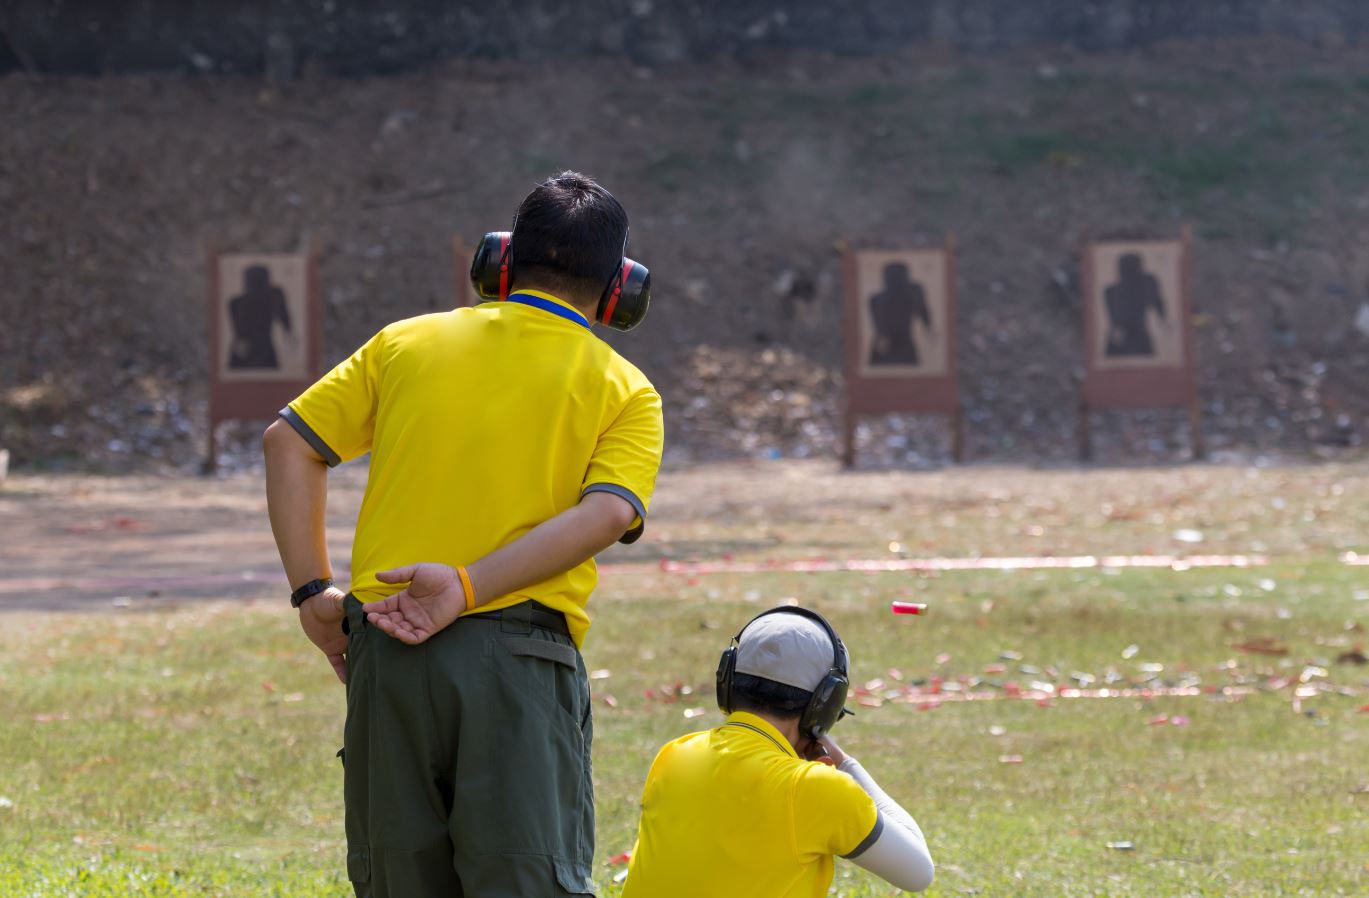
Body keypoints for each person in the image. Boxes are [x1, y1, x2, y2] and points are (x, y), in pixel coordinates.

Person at [263, 172, 664, 898]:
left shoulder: (403, 344)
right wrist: (468, 587)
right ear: (620, 291)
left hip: (385, 652)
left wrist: (311, 591)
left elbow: (287, 442)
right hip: (520, 663)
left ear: (499, 262)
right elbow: (605, 514)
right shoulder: (624, 388)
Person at [622, 606, 934, 896]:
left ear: (727, 682)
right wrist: (846, 764)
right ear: (824, 705)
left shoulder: (674, 755)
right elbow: (919, 873)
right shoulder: (817, 788)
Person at [228, 264, 291, 369]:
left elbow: (284, 318)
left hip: (263, 350)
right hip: (247, 351)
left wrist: (288, 332)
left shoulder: (274, 296)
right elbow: (239, 332)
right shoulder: (236, 303)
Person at [868, 262, 931, 367]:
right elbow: (879, 328)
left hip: (901, 345)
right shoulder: (875, 299)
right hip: (886, 346)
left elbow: (923, 311)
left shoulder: (913, 293)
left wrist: (928, 327)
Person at [1103, 253, 1166, 357]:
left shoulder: (1146, 284)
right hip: (1121, 338)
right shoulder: (1110, 291)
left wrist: (1163, 318)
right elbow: (1114, 319)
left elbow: (1157, 303)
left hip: (1138, 337)